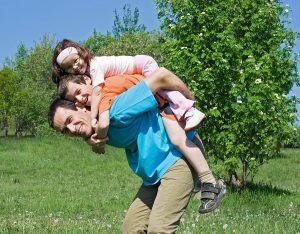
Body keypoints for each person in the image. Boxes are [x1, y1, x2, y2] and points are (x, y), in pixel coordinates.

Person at [52, 67, 226, 215]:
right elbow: (88, 126)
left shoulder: (114, 108)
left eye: (69, 121)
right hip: (153, 174)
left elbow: (162, 75)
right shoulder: (94, 124)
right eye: (65, 130)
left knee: (159, 229)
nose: (72, 129)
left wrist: (188, 101)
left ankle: (208, 180)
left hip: (175, 157)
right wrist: (92, 140)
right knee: (132, 228)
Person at [51, 39, 204, 133]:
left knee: (164, 90)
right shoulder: (89, 73)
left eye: (76, 60)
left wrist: (92, 118)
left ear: (81, 52)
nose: (76, 66)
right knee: (162, 91)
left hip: (142, 63)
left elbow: (97, 93)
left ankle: (189, 110)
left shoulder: (95, 67)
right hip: (138, 69)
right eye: (70, 67)